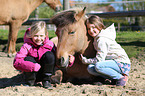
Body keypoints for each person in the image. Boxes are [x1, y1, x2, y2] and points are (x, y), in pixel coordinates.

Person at [80, 15, 131, 86]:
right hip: (113, 63)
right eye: (89, 28)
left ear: (99, 26)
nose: (91, 31)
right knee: (90, 68)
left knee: (98, 66)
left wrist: (86, 61)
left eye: (93, 27)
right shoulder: (97, 38)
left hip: (122, 63)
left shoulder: (101, 40)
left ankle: (120, 77)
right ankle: (113, 77)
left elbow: (99, 60)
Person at [13, 21, 56, 89]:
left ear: (46, 35)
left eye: (41, 36)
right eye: (36, 36)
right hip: (32, 73)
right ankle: (30, 81)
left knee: (49, 55)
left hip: (45, 72)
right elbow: (16, 62)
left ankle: (46, 81)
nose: (39, 39)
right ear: (31, 35)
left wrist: (70, 61)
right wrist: (32, 66)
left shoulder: (50, 45)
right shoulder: (26, 46)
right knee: (28, 59)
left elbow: (57, 59)